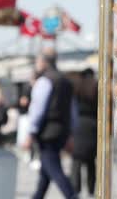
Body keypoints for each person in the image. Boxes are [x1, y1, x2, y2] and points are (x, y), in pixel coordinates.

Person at [23, 48, 77, 199]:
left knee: (53, 168)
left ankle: (72, 195)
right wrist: (71, 132)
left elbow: (37, 109)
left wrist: (31, 132)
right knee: (45, 172)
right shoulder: (66, 81)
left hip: (47, 131)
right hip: (62, 130)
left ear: (43, 62)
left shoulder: (45, 81)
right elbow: (72, 110)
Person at [70, 68, 98, 196]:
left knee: (76, 159)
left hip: (79, 125)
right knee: (91, 160)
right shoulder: (97, 86)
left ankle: (76, 189)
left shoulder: (77, 87)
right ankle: (91, 190)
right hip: (93, 124)